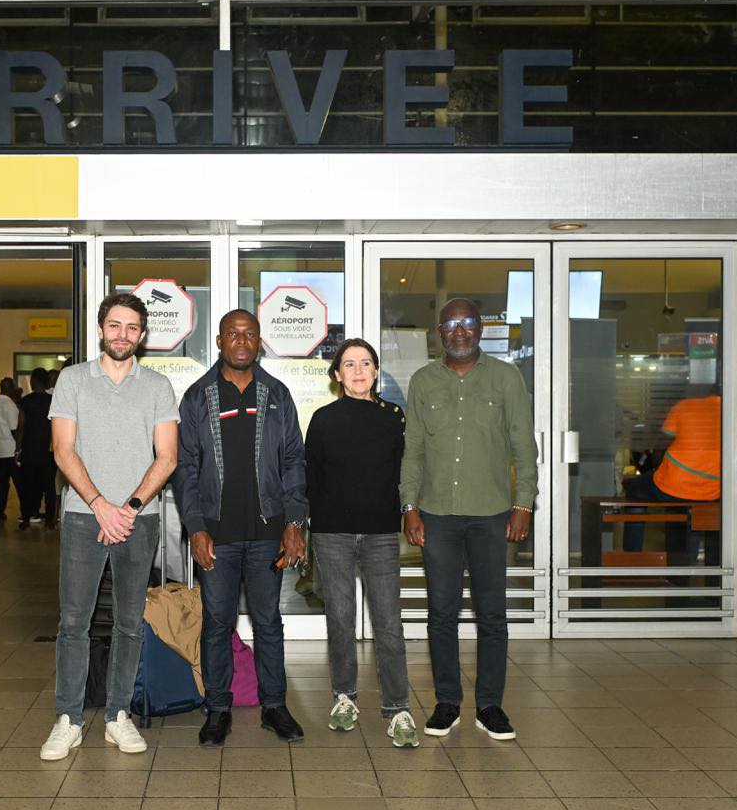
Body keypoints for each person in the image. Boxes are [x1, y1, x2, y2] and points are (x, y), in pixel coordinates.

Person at [40, 293, 178, 762]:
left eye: (132, 327)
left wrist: (130, 507)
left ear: (142, 334)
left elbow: (168, 456)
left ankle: (119, 716)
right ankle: (69, 719)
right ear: (101, 329)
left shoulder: (157, 385)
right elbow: (63, 450)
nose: (123, 334)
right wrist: (100, 505)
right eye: (114, 325)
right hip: (83, 517)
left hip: (139, 520)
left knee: (128, 623)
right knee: (74, 622)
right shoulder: (73, 379)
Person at [401, 297, 536, 741]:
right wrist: (410, 506)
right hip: (437, 515)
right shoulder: (423, 382)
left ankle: (490, 706)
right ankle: (447, 702)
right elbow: (414, 449)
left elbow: (523, 447)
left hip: (491, 514)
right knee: (441, 612)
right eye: (450, 325)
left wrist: (524, 503)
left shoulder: (506, 378)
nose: (459, 332)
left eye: (467, 323)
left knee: (492, 613)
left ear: (480, 329)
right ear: (439, 332)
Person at [174, 309, 307, 747]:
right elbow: (186, 469)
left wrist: (294, 522)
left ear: (259, 341)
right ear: (219, 341)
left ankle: (275, 707)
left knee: (269, 621)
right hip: (216, 535)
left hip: (269, 533)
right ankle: (217, 710)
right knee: (216, 623)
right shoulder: (197, 397)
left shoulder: (277, 394)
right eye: (233, 334)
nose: (242, 341)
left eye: (249, 334)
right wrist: (195, 527)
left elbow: (293, 463)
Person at [305, 339, 418, 747]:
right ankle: (344, 698)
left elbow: (407, 471)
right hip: (332, 533)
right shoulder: (323, 419)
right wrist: (307, 528)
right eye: (349, 364)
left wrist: (409, 510)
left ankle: (398, 707)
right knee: (340, 619)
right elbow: (311, 477)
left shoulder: (394, 418)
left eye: (365, 363)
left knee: (388, 623)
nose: (358, 371)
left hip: (381, 534)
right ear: (337, 374)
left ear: (375, 372)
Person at [623, 392, 722, 566]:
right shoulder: (732, 412)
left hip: (673, 485)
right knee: (693, 511)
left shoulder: (685, 406)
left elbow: (661, 447)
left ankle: (632, 556)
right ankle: (688, 564)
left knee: (634, 489)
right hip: (712, 491)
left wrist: (656, 468)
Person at [16, 367, 57, 530]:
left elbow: (21, 427)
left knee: (28, 486)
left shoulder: (25, 402)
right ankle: (49, 520)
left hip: (29, 450)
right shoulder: (53, 401)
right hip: (48, 450)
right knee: (49, 487)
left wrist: (17, 449)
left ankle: (26, 518)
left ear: (33, 381)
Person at [0, 377, 21, 520]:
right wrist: (19, 449)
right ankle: (26, 512)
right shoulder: (9, 405)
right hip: (11, 449)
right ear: (10, 388)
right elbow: (15, 430)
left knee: (2, 483)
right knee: (20, 483)